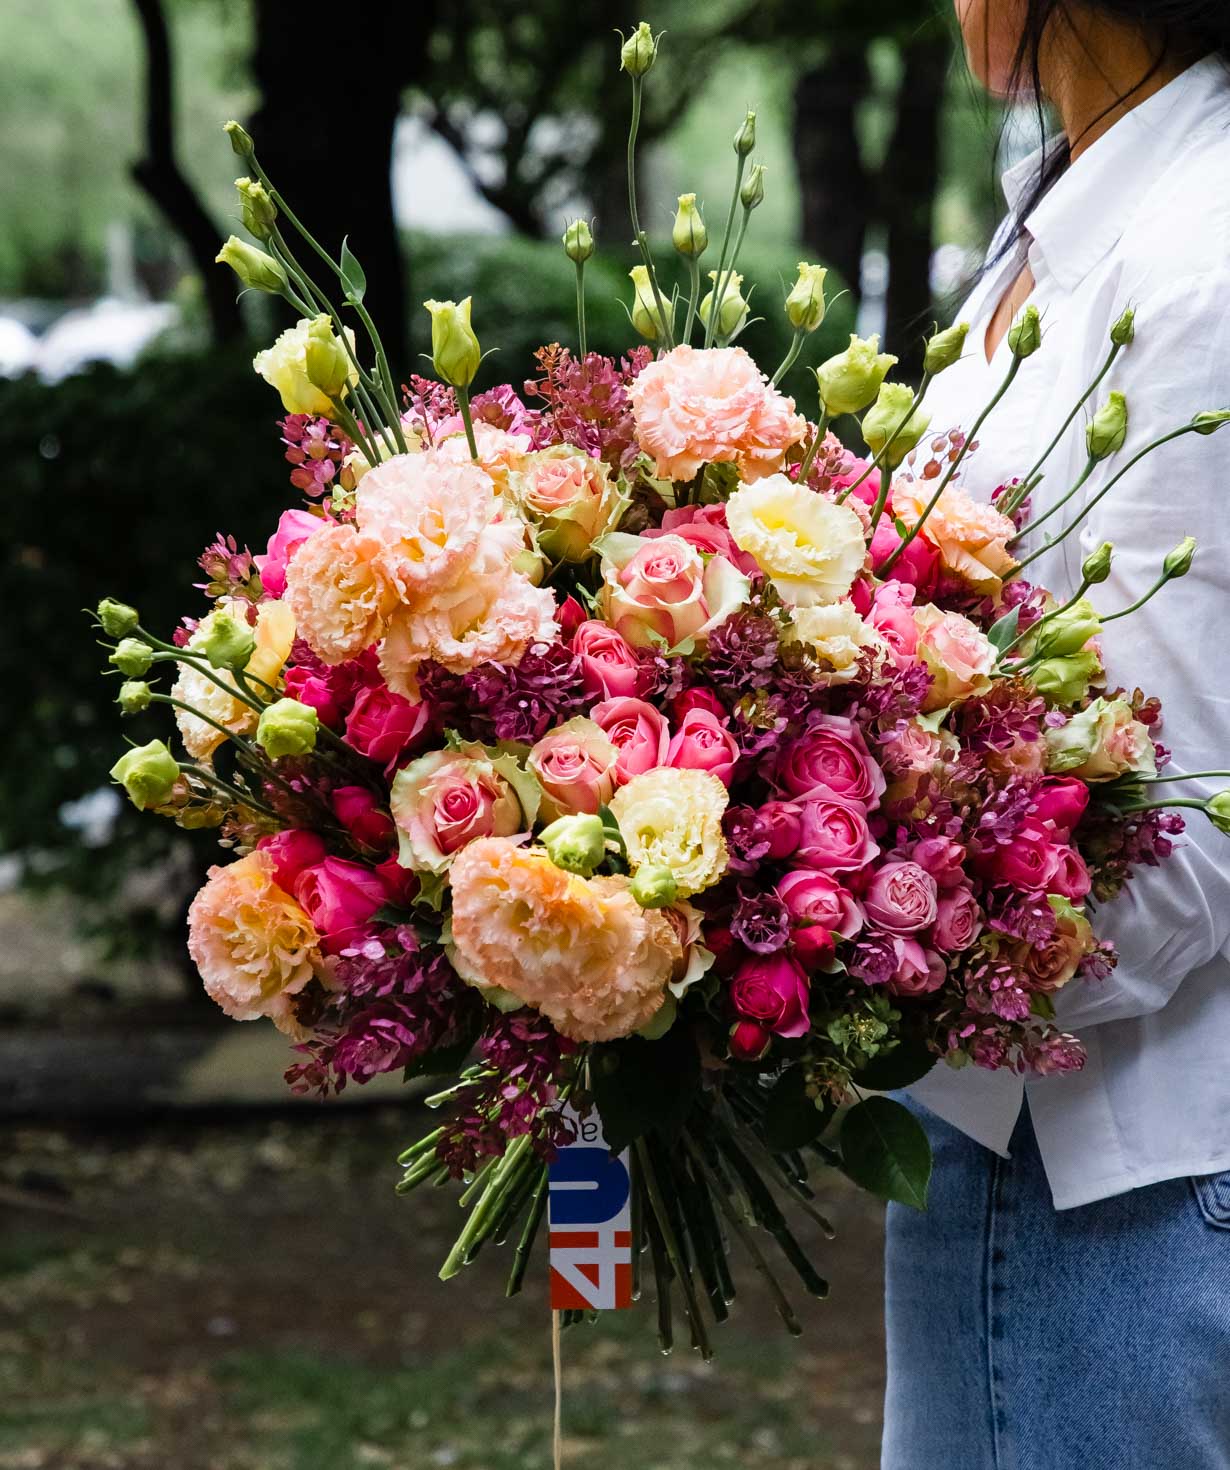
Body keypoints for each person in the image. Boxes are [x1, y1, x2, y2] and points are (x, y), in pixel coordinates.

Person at [881, 6, 1230, 1467]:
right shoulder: (1089, 215)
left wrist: (782, 954)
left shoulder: (1187, 265)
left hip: (1099, 1188)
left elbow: (1178, 832)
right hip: (1037, 1157)